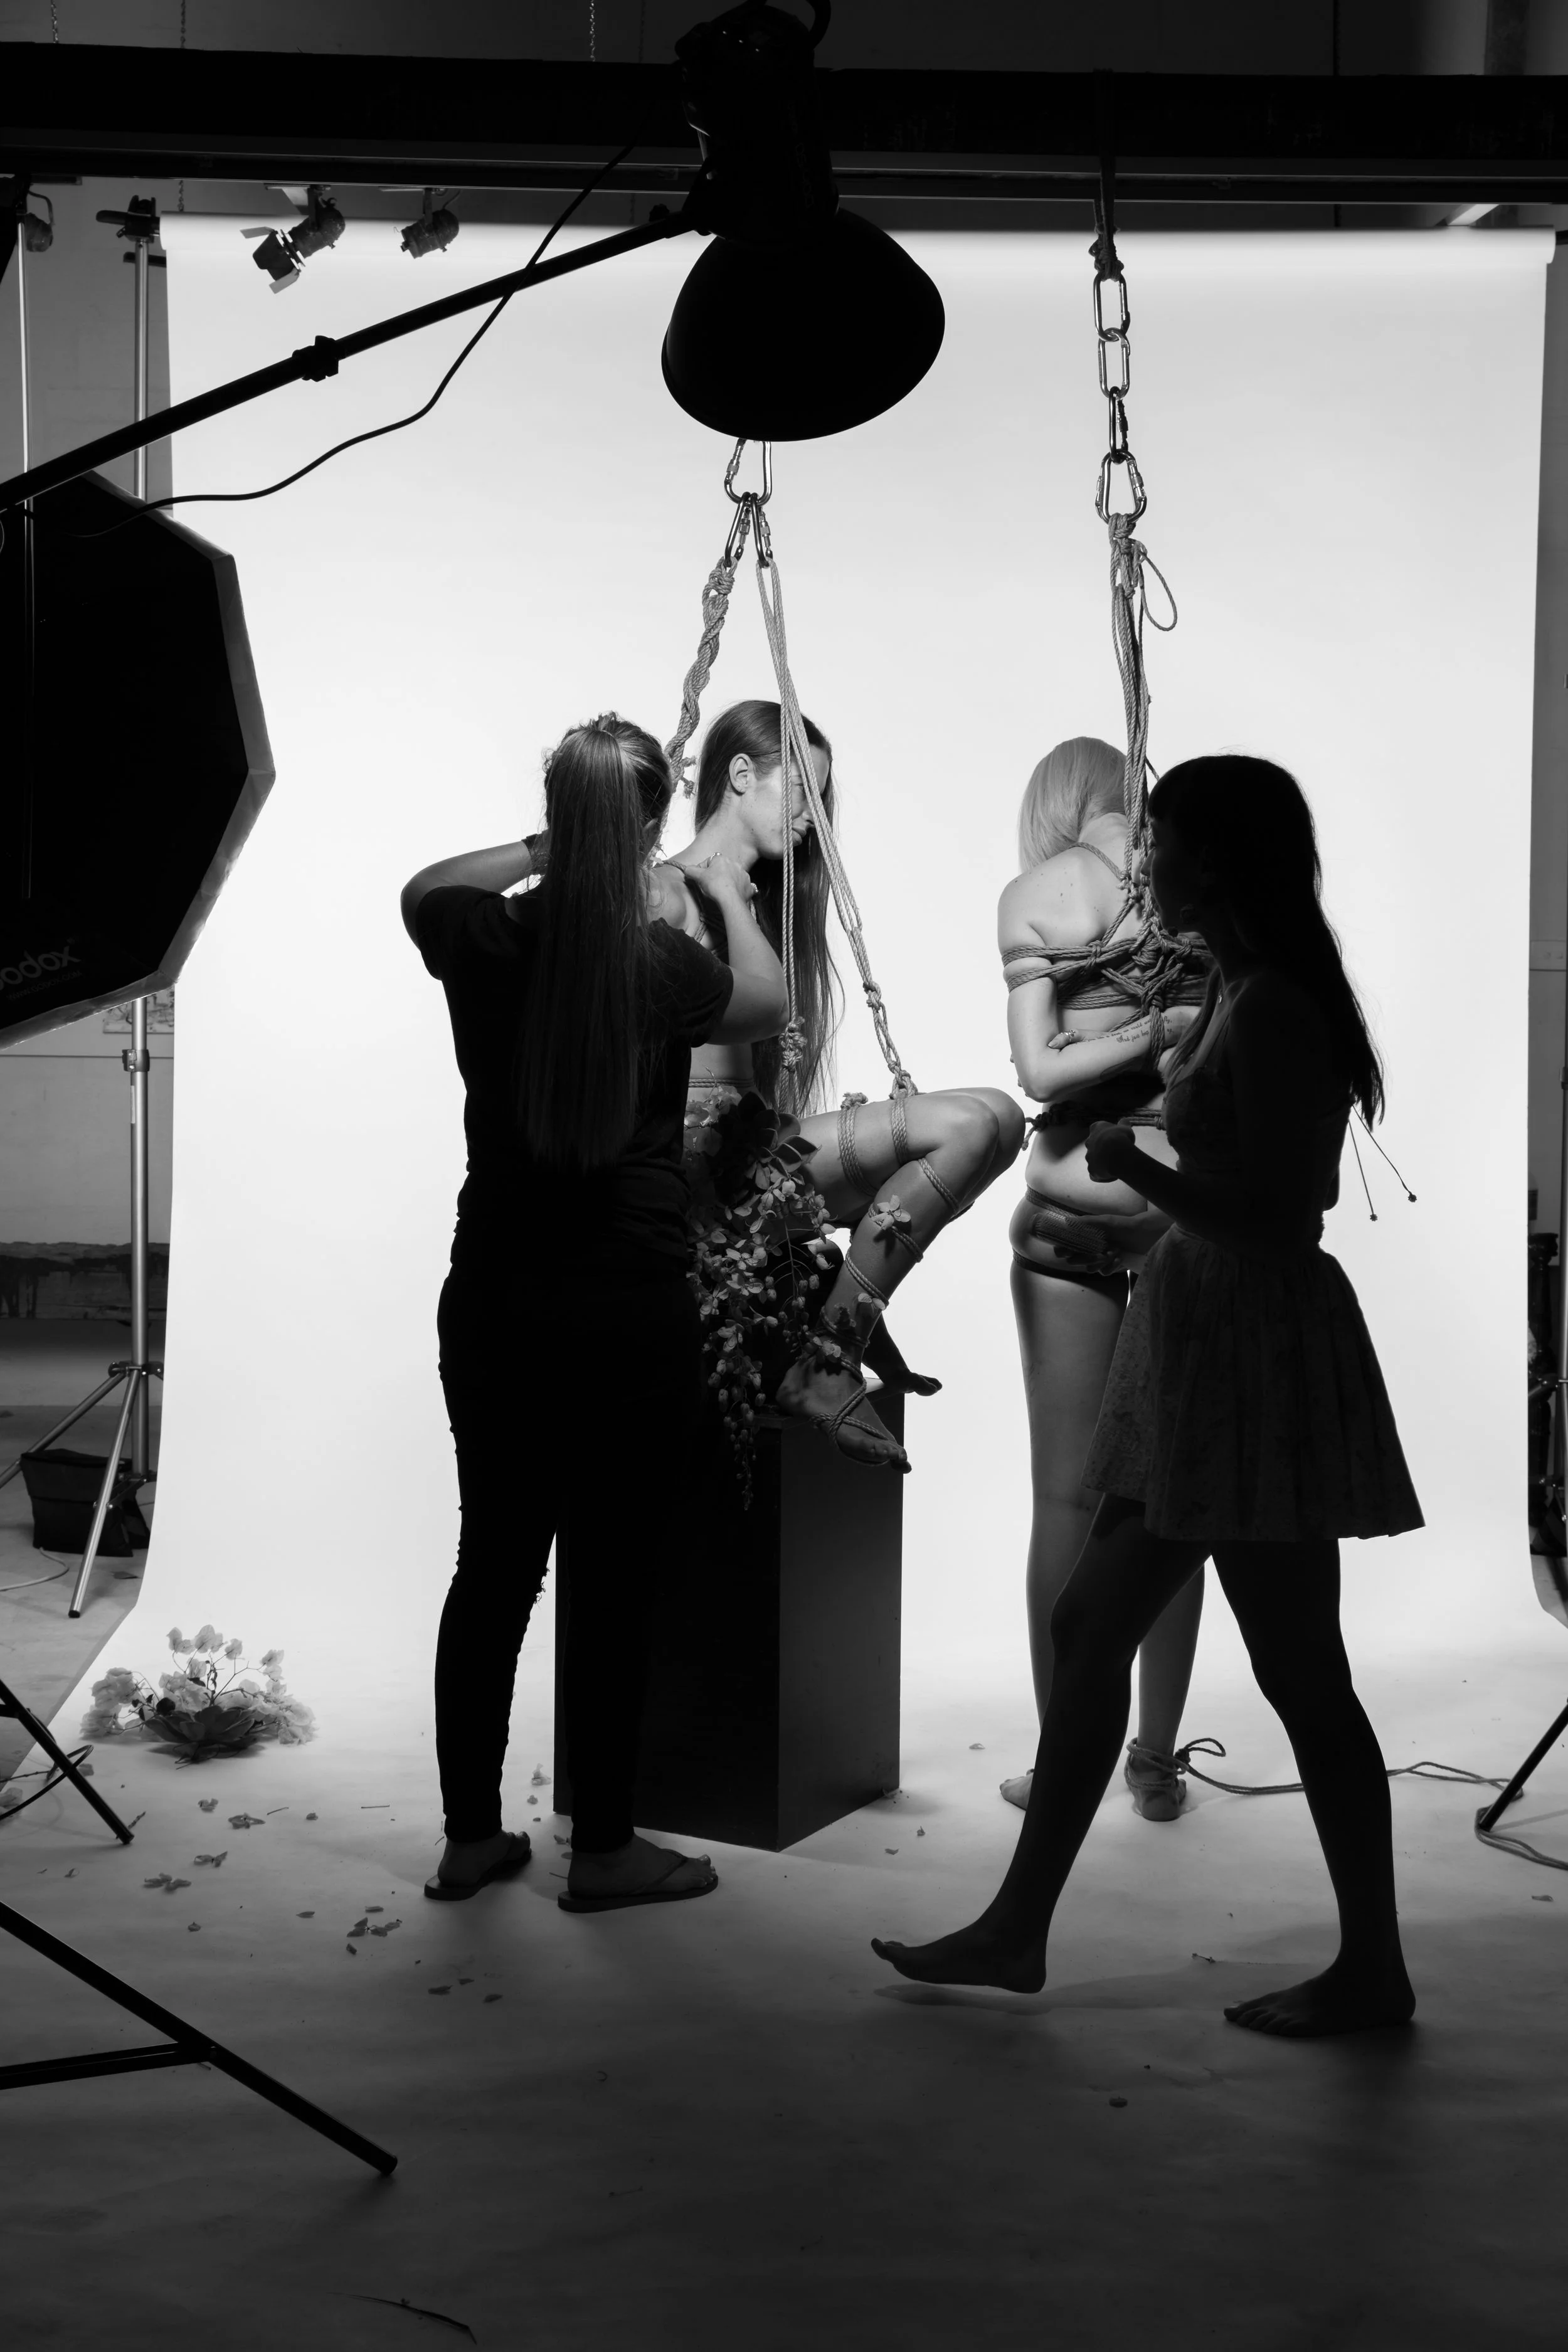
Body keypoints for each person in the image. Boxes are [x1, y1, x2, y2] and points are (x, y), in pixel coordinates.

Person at [872, 753, 1423, 2037]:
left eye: (1162, 843)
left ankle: (1370, 1968)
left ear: (1216, 861)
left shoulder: (1278, 1005)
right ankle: (1019, 1930)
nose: (1141, 864)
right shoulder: (1242, 989)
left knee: (1299, 1674)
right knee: (1099, 1627)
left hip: (1244, 1357)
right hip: (1210, 1354)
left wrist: (1142, 1165)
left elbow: (1289, 1218)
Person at [401, 713, 788, 1909]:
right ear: (655, 820)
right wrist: (722, 888)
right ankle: (607, 1853)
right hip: (628, 1308)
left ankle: (473, 1840)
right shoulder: (665, 965)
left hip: (499, 1302)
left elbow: (423, 886)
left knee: (492, 1569)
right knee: (611, 1580)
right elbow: (766, 1003)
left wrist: (547, 850)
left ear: (561, 819)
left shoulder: (484, 934)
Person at [659, 699, 1025, 1473]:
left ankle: (832, 1331)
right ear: (740, 774)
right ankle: (826, 1360)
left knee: (994, 1120)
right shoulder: (665, 890)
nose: (813, 819)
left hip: (753, 1169)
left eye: (824, 802)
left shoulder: (770, 908)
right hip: (697, 1182)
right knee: (975, 1121)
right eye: (803, 792)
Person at [997, 738, 1212, 1822]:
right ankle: (1155, 1758)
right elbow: (1212, 1044)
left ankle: (1058, 1763)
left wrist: (1112, 1031)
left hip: (1070, 1200)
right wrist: (1164, 1027)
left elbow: (1036, 1073)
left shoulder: (1038, 894)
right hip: (1179, 1210)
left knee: (1064, 1502)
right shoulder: (1191, 885)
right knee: (1170, 1501)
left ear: (1055, 805)